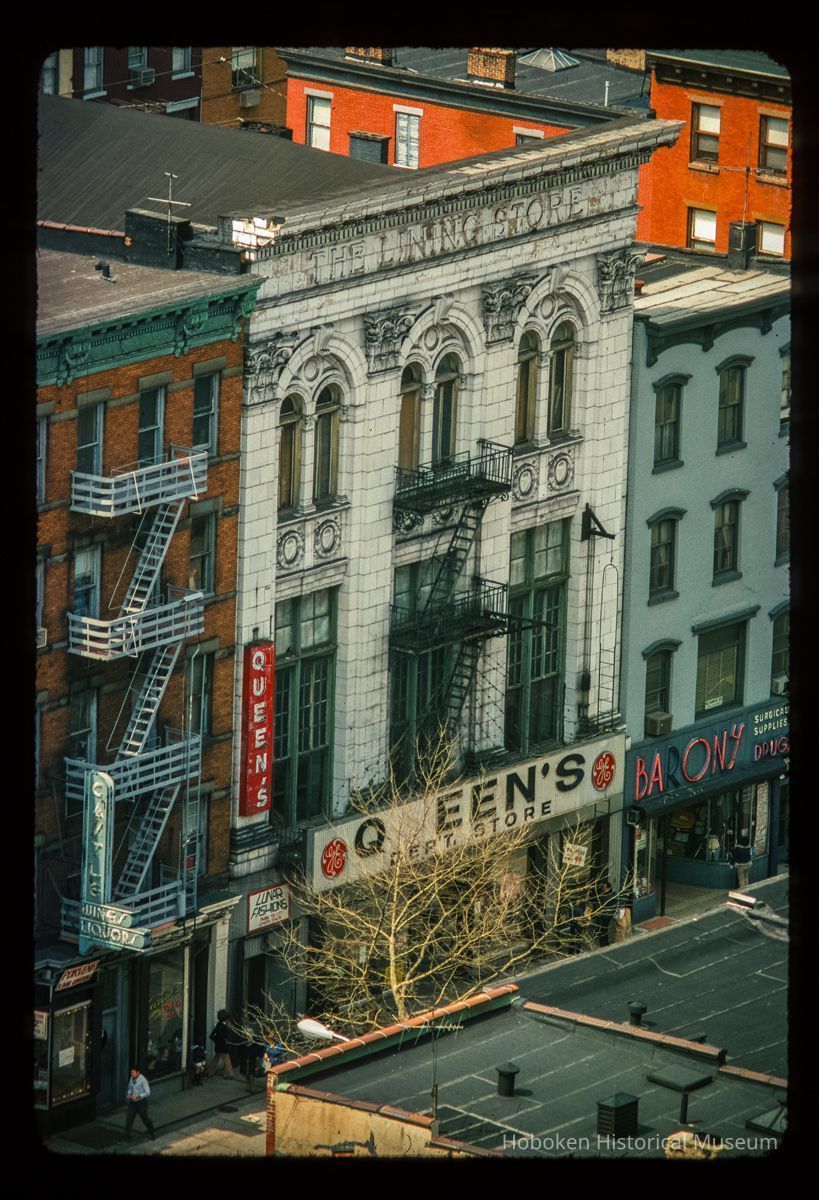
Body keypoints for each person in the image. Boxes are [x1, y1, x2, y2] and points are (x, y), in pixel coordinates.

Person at [123, 1066, 155, 1141]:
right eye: (131, 1072)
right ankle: (126, 1136)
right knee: (129, 1119)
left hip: (141, 1103)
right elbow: (130, 1088)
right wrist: (129, 1094)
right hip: (133, 1103)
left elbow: (148, 1092)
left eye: (133, 1072)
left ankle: (152, 1131)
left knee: (144, 1118)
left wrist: (138, 1096)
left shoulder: (143, 1080)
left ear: (138, 1072)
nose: (132, 1074)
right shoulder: (132, 1079)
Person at [207, 1010, 235, 1079]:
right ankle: (229, 1074)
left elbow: (213, 1035)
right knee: (227, 1061)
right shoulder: (225, 1026)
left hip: (218, 1045)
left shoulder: (219, 1024)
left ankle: (210, 1072)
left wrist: (216, 1041)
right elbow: (223, 1036)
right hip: (224, 1046)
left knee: (215, 1059)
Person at [591, 879, 618, 947]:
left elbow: (602, 906)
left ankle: (603, 944)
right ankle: (606, 943)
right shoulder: (614, 894)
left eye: (604, 887)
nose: (603, 889)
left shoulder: (605, 897)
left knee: (603, 931)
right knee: (606, 930)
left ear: (608, 887)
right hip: (610, 915)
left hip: (605, 916)